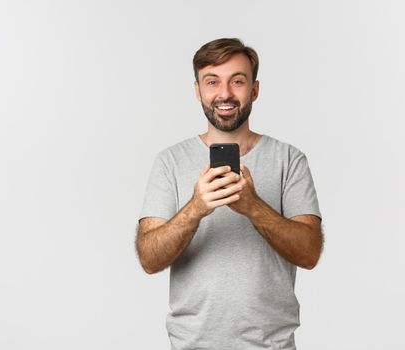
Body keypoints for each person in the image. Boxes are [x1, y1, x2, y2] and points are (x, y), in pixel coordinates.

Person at [136, 38, 323, 350]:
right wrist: (195, 208)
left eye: (237, 81)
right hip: (192, 345)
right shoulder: (169, 162)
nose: (224, 94)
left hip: (271, 345)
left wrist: (253, 207)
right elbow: (149, 259)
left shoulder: (289, 160)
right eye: (212, 82)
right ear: (197, 90)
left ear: (254, 90)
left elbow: (310, 253)